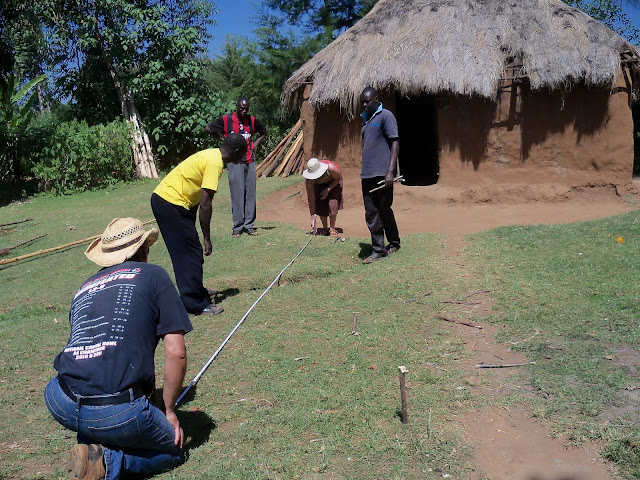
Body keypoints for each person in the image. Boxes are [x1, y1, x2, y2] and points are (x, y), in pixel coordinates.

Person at [44, 217, 193, 480]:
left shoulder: (84, 288)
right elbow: (176, 352)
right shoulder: (153, 275)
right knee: (175, 449)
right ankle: (109, 461)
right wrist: (169, 410)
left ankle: (91, 443)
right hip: (115, 408)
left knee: (103, 416)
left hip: (61, 399)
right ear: (143, 249)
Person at [151, 134, 247, 315]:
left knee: (191, 251)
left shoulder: (213, 155)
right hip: (169, 203)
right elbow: (205, 204)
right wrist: (207, 238)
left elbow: (196, 197)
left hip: (175, 203)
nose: (242, 158)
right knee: (187, 254)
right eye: (242, 154)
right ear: (236, 152)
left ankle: (196, 291)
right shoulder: (214, 163)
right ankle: (195, 304)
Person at [205, 96, 268, 238]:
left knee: (250, 194)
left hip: (249, 160)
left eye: (246, 109)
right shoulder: (226, 120)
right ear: (237, 107)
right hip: (235, 162)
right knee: (237, 194)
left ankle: (249, 225)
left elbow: (264, 132)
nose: (244, 111)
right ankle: (238, 227)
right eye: (242, 108)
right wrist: (222, 140)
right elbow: (208, 129)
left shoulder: (252, 120)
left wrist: (254, 145)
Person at [359, 86, 401, 264]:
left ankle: (390, 244)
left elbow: (395, 142)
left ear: (376, 99)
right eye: (362, 102)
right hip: (367, 174)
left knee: (383, 209)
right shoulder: (366, 119)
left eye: (367, 101)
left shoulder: (386, 116)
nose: (364, 104)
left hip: (383, 173)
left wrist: (390, 171)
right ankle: (381, 248)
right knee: (371, 212)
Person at [302, 157, 343, 237]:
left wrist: (328, 190)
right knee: (320, 202)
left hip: (334, 182)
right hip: (319, 185)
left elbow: (338, 178)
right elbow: (311, 198)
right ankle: (325, 228)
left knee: (333, 203)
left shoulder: (331, 168)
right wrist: (312, 217)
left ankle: (332, 228)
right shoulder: (309, 180)